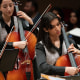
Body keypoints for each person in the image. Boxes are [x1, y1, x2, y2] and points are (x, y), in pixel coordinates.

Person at [35, 12, 79, 76]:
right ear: (45, 29)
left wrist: (78, 52)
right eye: (52, 27)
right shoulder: (40, 46)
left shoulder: (69, 42)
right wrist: (65, 69)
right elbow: (42, 67)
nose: (57, 29)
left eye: (58, 24)